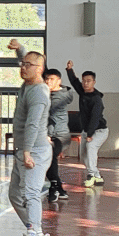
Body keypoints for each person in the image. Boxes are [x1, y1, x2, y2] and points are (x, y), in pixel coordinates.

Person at [8, 44, 51, 236]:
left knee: (31, 194)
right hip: (24, 149)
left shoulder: (39, 93)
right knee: (14, 195)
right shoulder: (27, 84)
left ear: (40, 69)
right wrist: (19, 49)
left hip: (35, 151)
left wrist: (27, 153)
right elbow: (28, 58)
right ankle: (38, 233)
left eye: (28, 65)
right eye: (22, 64)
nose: (23, 67)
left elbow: (33, 124)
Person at [43, 67, 76, 202]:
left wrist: (48, 135)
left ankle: (53, 187)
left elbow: (51, 117)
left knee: (49, 155)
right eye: (47, 79)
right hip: (51, 134)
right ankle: (60, 189)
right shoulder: (54, 93)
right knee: (47, 158)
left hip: (60, 136)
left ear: (59, 81)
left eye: (52, 79)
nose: (48, 82)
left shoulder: (59, 97)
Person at [70, 64, 107, 186]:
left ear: (94, 82)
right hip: (87, 130)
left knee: (91, 147)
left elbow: (95, 118)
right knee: (84, 157)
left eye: (89, 81)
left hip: (99, 130)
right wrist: (69, 70)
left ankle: (91, 175)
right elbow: (74, 82)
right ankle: (98, 177)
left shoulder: (96, 99)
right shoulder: (82, 92)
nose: (85, 83)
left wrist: (90, 134)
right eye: (84, 81)